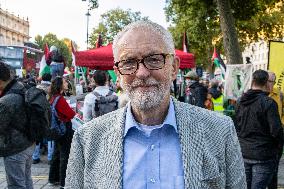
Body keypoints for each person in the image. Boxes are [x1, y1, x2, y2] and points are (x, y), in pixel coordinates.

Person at [65, 21, 246, 188]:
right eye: (128, 62)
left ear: (174, 68)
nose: (142, 73)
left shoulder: (220, 131)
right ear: (118, 74)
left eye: (154, 59)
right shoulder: (87, 139)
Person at [234, 69, 283, 189]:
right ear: (266, 83)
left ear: (252, 81)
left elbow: (236, 126)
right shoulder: (268, 103)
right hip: (263, 155)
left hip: (244, 152)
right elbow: (276, 131)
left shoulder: (241, 101)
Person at [0, 61, 34, 189]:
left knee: (16, 185)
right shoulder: (21, 87)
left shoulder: (6, 101)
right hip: (29, 142)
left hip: (15, 148)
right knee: (26, 180)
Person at [48, 76, 76, 188]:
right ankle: (63, 182)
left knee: (56, 154)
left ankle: (52, 178)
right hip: (64, 130)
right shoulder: (60, 99)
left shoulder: (53, 97)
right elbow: (71, 114)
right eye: (65, 82)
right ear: (60, 85)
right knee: (64, 155)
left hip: (57, 130)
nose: (66, 84)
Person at [32, 73, 54, 164]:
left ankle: (35, 157)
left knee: (37, 136)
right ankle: (50, 158)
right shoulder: (52, 88)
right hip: (48, 113)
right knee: (50, 136)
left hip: (37, 113)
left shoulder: (37, 87)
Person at [267, 71, 284, 189]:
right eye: (266, 81)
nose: (268, 84)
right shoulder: (259, 94)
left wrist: (282, 124)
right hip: (263, 135)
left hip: (276, 134)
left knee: (274, 166)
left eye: (270, 81)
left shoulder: (280, 94)